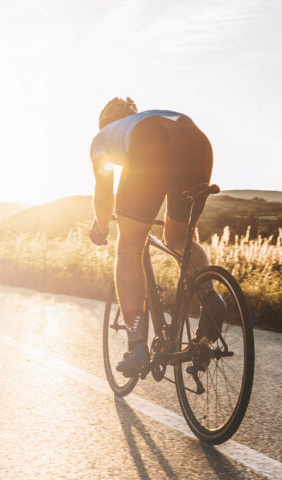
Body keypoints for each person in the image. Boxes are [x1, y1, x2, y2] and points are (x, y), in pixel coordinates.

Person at [89, 98, 226, 378]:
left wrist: (101, 228)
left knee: (129, 246)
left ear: (105, 122)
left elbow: (104, 193)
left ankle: (137, 345)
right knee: (178, 240)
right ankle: (211, 298)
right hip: (198, 143)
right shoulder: (149, 117)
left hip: (150, 145)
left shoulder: (102, 137)